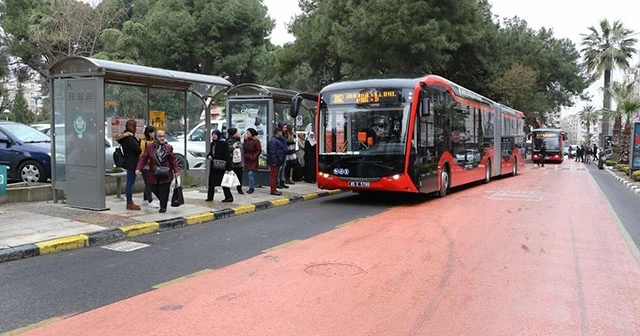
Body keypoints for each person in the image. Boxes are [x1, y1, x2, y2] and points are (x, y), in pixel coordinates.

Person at [135, 130, 180, 213]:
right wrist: (138, 168)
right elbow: (144, 158)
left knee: (164, 189)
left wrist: (176, 170)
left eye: (163, 136)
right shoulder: (150, 146)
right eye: (160, 136)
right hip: (153, 173)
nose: (162, 138)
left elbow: (173, 160)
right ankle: (163, 199)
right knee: (151, 186)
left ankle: (163, 207)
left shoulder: (168, 147)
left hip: (166, 173)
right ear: (155, 137)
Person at [115, 119, 142, 211]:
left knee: (129, 182)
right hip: (132, 162)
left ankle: (129, 202)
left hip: (128, 161)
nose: (136, 129)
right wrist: (139, 143)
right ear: (132, 127)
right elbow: (138, 150)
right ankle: (129, 203)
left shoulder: (123, 137)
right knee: (130, 183)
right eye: (135, 127)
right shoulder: (130, 138)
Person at [206, 129, 233, 202]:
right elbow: (211, 153)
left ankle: (229, 197)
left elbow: (227, 156)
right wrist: (209, 156)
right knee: (211, 182)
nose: (214, 136)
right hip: (214, 166)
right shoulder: (213, 144)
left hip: (222, 166)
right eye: (213, 134)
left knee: (224, 182)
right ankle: (210, 197)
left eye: (215, 134)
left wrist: (228, 168)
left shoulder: (223, 143)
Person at [139, 125, 159, 208]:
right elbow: (143, 155)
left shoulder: (152, 140)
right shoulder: (144, 142)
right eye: (153, 132)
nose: (154, 134)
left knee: (148, 182)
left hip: (151, 164)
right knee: (149, 183)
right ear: (149, 133)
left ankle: (145, 199)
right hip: (146, 165)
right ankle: (150, 200)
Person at [267, 127, 286, 196]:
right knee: (273, 176)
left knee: (275, 175)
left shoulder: (279, 140)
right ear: (278, 132)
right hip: (274, 161)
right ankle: (273, 190)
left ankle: (274, 189)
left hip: (278, 161)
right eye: (281, 132)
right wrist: (274, 161)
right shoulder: (273, 141)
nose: (282, 133)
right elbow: (272, 152)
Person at [226, 127, 244, 195]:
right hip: (232, 162)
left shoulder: (239, 140)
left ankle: (239, 189)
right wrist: (233, 147)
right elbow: (228, 149)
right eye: (237, 132)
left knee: (240, 176)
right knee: (230, 176)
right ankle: (228, 190)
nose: (238, 133)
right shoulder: (229, 141)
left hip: (239, 161)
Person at [243, 128, 261, 194]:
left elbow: (258, 150)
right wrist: (244, 155)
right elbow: (244, 148)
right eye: (247, 133)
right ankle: (251, 186)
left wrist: (254, 156)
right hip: (247, 159)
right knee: (249, 173)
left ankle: (251, 187)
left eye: (249, 133)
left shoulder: (256, 141)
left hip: (253, 159)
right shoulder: (246, 141)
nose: (247, 134)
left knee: (251, 173)